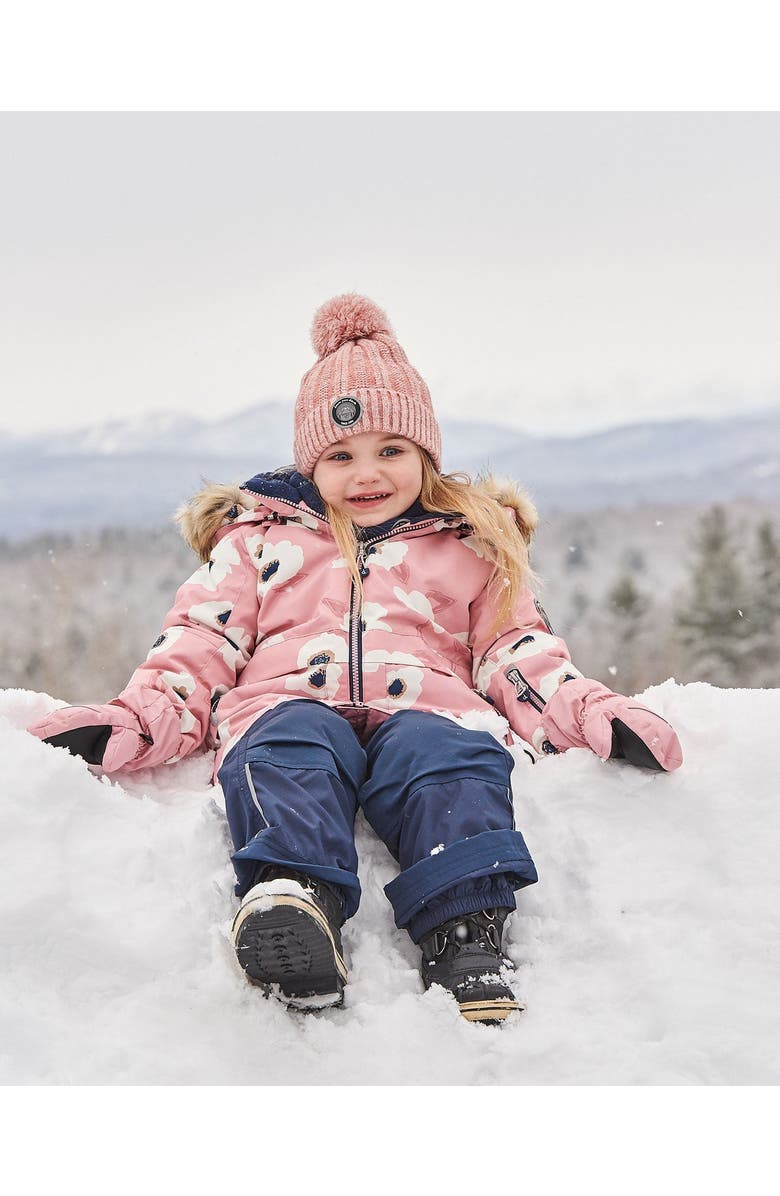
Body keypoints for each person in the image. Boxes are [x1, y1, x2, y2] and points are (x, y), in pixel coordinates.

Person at [28, 294, 683, 1025]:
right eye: (341, 456)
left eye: (390, 451)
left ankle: (465, 927)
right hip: (289, 701)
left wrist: (588, 711)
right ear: (311, 463)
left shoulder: (469, 542)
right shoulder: (259, 540)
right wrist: (135, 720)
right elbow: (201, 642)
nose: (366, 474)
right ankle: (293, 899)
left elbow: (515, 648)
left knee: (450, 758)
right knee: (283, 748)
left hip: (427, 706)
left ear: (425, 453)